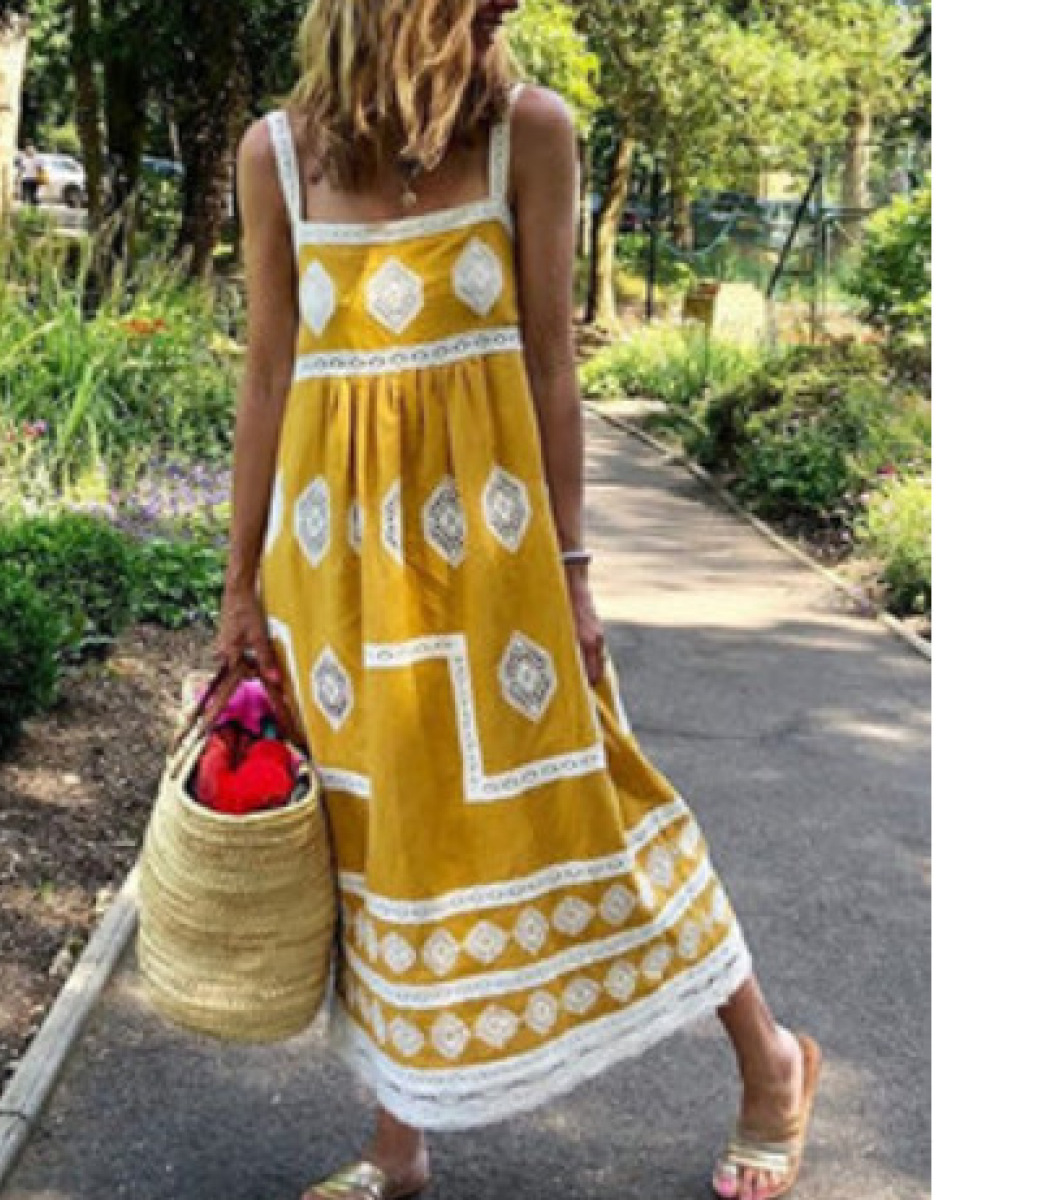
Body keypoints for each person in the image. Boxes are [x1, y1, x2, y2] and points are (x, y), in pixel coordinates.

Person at [212, 3, 823, 1198]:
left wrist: (574, 568)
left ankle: (773, 1062)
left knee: (598, 801)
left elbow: (550, 359)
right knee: (380, 834)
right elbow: (270, 372)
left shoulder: (526, 134)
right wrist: (241, 587)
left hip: (498, 568)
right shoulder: (276, 155)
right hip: (334, 573)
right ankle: (400, 1143)